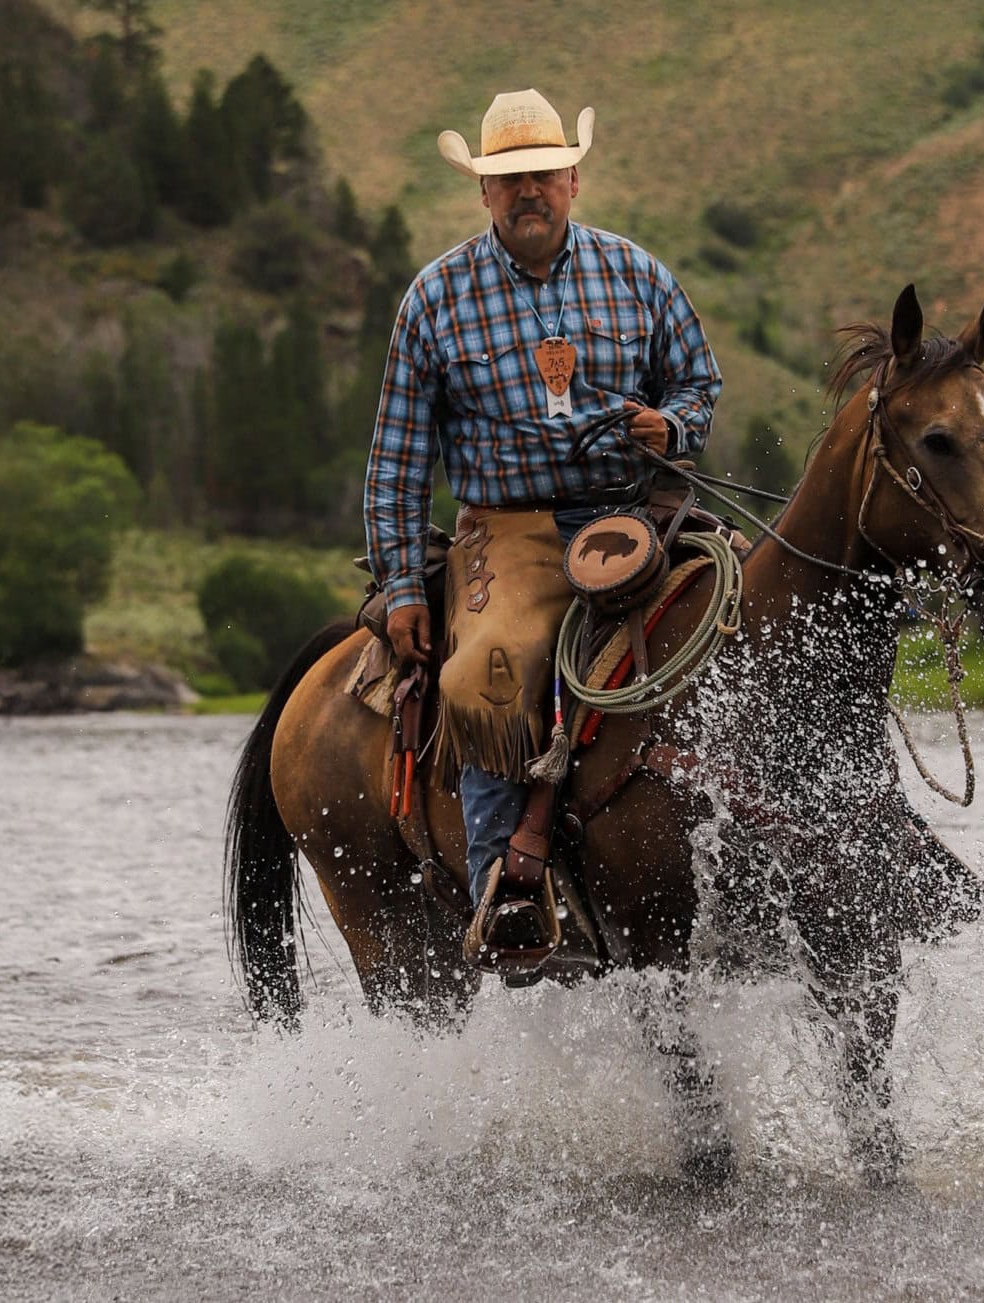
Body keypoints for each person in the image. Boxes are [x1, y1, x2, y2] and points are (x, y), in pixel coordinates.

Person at [361, 88, 721, 963]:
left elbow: (698, 385)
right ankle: (506, 895)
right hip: (508, 529)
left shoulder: (638, 275)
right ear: (484, 193)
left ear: (573, 178)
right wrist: (404, 584)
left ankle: (817, 835)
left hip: (632, 516)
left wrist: (668, 427)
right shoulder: (436, 297)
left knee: (746, 609)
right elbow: (398, 460)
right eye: (508, 179)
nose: (529, 191)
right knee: (487, 676)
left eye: (543, 175)